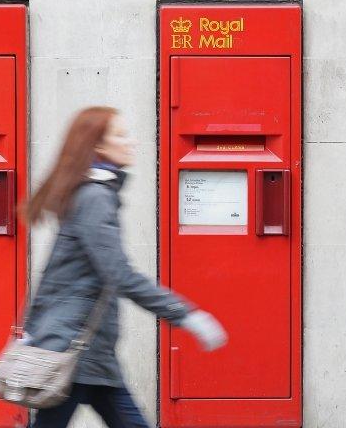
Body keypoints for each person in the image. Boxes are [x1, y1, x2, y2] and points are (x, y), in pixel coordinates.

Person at [22, 107, 227, 428]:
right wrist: (185, 314)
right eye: (120, 135)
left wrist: (33, 327)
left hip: (89, 353)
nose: (132, 141)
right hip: (76, 351)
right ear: (98, 147)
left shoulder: (90, 194)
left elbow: (56, 275)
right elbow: (121, 275)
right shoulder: (94, 198)